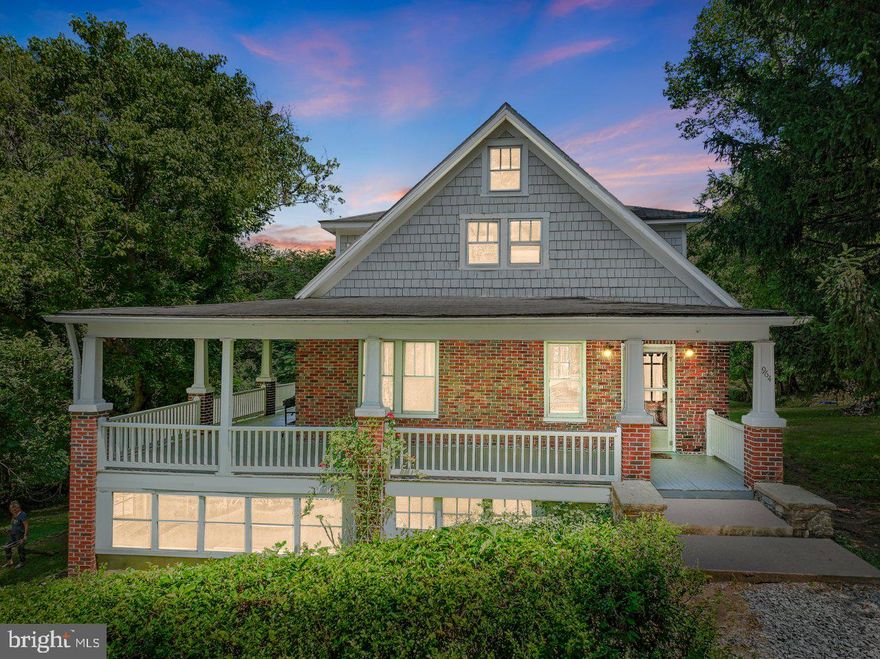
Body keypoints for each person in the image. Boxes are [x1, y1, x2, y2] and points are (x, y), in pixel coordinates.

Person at [5, 501, 27, 568]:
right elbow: (13, 523)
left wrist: (25, 535)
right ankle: (9, 562)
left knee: (20, 548)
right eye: (11, 509)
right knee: (7, 546)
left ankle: (22, 562)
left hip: (19, 535)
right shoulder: (14, 514)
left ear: (17, 508)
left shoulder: (22, 514)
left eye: (13, 509)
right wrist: (9, 529)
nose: (12, 511)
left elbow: (26, 525)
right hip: (13, 534)